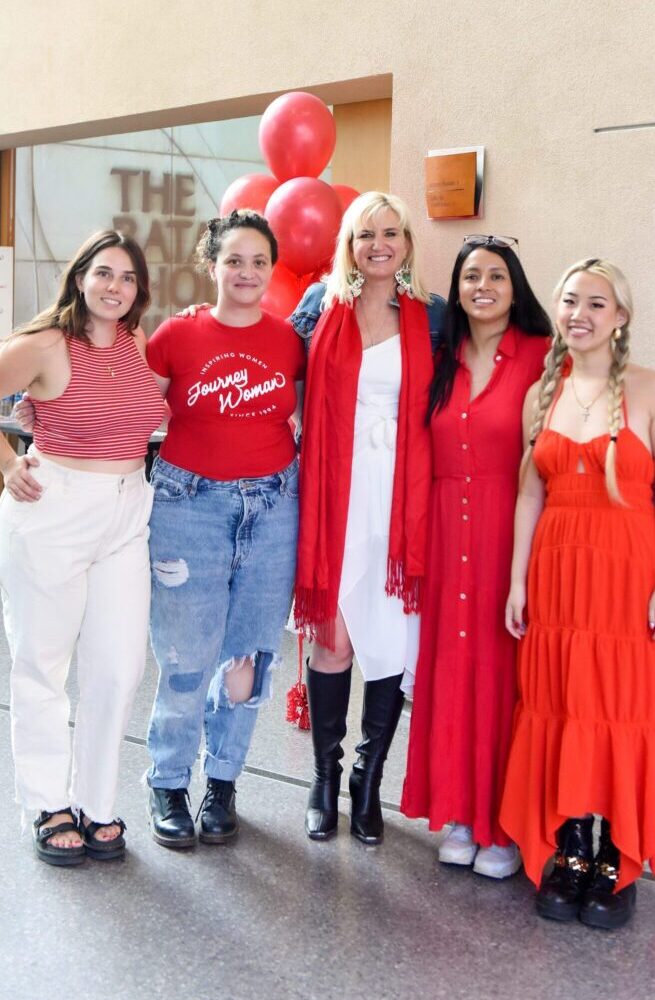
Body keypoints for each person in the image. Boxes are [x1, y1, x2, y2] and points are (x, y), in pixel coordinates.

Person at [500, 258, 655, 928]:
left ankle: (618, 855)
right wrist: (516, 579)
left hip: (626, 580)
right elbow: (529, 492)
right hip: (558, 584)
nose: (578, 314)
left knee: (619, 710)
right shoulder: (542, 392)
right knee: (561, 705)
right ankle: (570, 849)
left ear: (619, 317)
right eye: (568, 302)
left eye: (595, 303)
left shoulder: (652, 391)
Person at [0, 230, 164, 866]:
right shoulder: (45, 344)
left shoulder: (139, 343)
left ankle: (97, 802)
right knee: (43, 665)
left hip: (128, 508)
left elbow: (144, 416)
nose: (114, 287)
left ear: (138, 291)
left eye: (127, 279)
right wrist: (6, 463)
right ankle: (48, 803)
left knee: (119, 665)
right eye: (103, 273)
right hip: (54, 509)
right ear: (80, 278)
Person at [144, 210, 305, 848]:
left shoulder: (290, 341)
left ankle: (223, 781)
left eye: (259, 262)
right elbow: (132, 414)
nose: (246, 273)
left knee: (247, 658)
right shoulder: (175, 337)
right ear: (210, 265)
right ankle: (168, 781)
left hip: (272, 508)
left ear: (272, 270)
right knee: (186, 657)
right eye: (233, 260)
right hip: (189, 506)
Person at [290, 191, 445, 845]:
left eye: (390, 232)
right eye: (364, 234)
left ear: (406, 242)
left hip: (402, 496)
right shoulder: (318, 308)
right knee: (334, 640)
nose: (377, 244)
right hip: (335, 491)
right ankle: (324, 779)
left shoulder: (432, 317)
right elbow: (279, 374)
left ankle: (367, 781)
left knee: (388, 641)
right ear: (348, 246)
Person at [400, 235, 552, 878]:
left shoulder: (545, 357)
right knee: (453, 671)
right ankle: (459, 813)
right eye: (469, 276)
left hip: (509, 528)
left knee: (502, 674)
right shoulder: (442, 355)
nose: (482, 286)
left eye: (495, 275)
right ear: (456, 290)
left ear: (516, 287)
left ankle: (503, 826)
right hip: (445, 531)